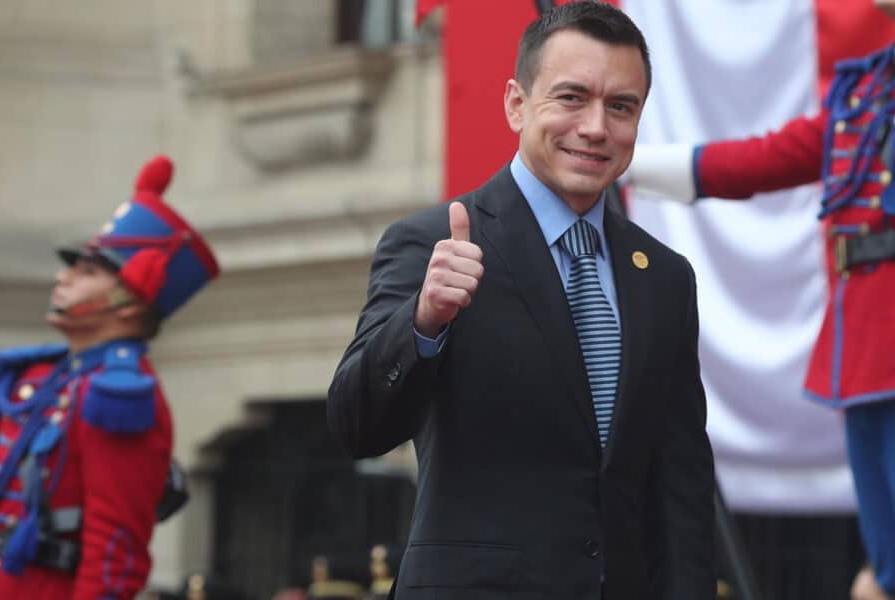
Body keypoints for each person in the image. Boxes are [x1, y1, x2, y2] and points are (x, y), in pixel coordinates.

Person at [327, 2, 715, 599]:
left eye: (621, 106)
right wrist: (423, 320)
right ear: (517, 104)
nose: (595, 127)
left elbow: (680, 485)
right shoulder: (433, 244)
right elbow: (355, 426)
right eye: (571, 97)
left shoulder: (664, 277)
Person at [625, 1, 895, 596]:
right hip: (865, 351)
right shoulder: (867, 91)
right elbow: (763, 160)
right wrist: (625, 163)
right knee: (885, 561)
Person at [0, 155, 220, 600]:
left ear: (128, 302)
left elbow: (113, 558)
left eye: (86, 272)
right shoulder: (46, 381)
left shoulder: (119, 397)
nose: (61, 278)